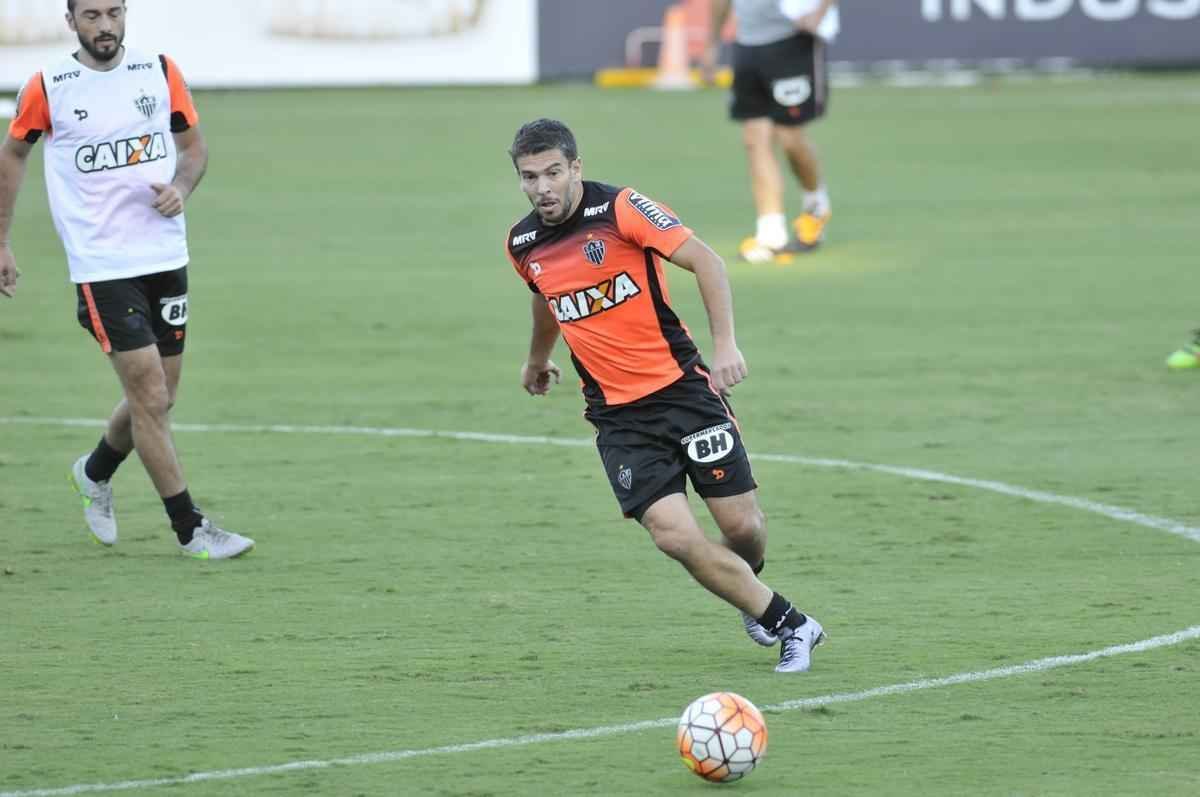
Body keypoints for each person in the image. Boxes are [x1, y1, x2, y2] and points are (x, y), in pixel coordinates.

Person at [504, 118, 824, 672]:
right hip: (619, 418)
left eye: (553, 172)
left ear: (575, 168)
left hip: (683, 394)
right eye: (529, 177)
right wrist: (537, 359)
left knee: (742, 529)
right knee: (673, 535)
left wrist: (725, 345)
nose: (543, 188)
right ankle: (790, 622)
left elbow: (707, 260)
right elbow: (544, 296)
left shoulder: (622, 209)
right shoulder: (523, 243)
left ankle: (746, 586)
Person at [0, 0, 254, 559]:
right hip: (102, 267)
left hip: (164, 256)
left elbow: (193, 149)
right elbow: (13, 155)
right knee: (149, 397)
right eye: (90, 15)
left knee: (161, 397)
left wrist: (181, 189)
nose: (105, 25)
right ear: (71, 22)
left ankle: (94, 472)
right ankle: (191, 529)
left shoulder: (160, 72)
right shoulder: (49, 86)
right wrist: (2, 239)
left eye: (113, 12)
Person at [703, 0, 839, 263]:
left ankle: (816, 206)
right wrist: (712, 43)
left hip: (791, 41)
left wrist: (819, 12)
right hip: (748, 45)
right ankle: (770, 233)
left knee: (790, 137)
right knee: (754, 138)